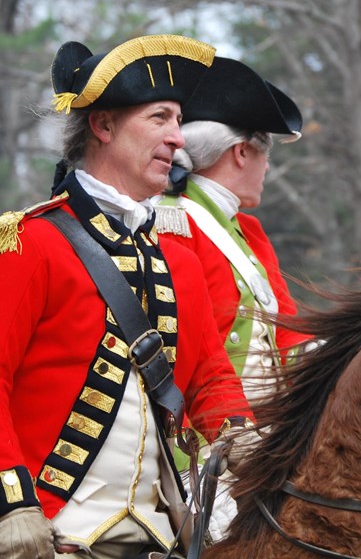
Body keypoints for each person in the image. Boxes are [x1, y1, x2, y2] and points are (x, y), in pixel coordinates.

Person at [0, 34, 254, 559]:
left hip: (161, 534)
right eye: (159, 118)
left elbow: (209, 372)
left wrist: (241, 436)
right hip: (46, 532)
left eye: (179, 121)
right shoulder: (31, 242)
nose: (177, 140)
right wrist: (11, 504)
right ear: (104, 125)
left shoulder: (177, 257)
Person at [153, 57, 308, 539]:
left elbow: (289, 333)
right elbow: (190, 345)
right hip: (202, 445)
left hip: (268, 441)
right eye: (266, 155)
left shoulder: (250, 230)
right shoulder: (170, 221)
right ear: (242, 152)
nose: (266, 168)